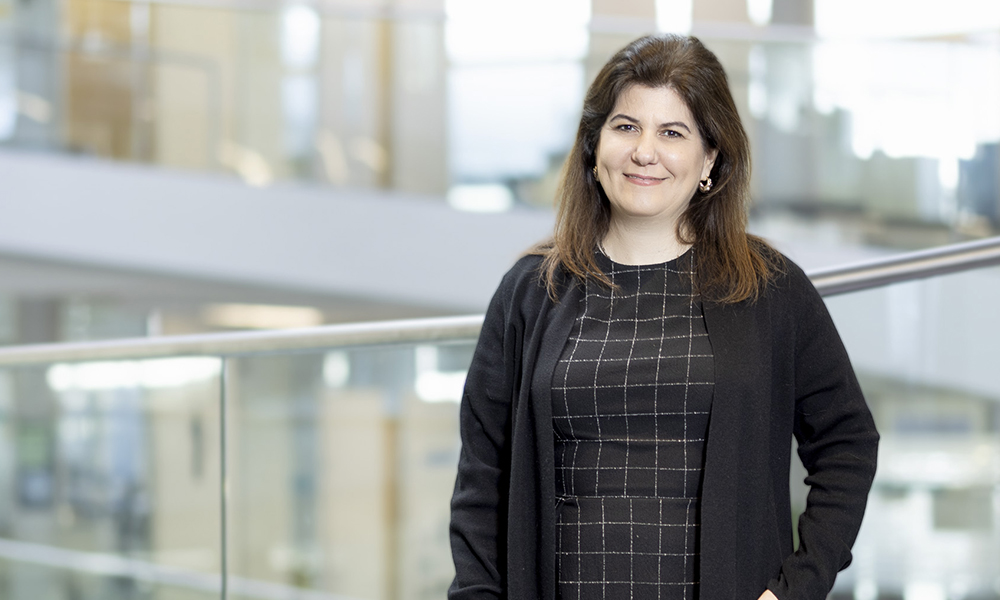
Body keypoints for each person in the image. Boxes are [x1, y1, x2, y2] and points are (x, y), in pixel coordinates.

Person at [449, 34, 878, 600]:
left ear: (710, 158)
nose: (644, 152)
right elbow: (482, 479)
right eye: (626, 127)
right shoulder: (532, 291)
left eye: (672, 133)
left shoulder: (770, 288)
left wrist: (798, 587)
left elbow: (847, 442)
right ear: (593, 147)